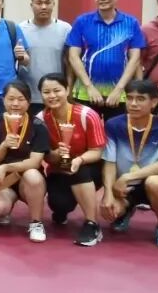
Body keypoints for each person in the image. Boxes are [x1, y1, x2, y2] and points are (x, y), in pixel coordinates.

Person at [99, 80, 158, 250]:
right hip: (122, 187)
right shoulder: (113, 124)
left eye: (140, 99)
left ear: (154, 102)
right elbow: (110, 162)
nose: (133, 103)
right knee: (111, 212)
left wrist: (128, 177)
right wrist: (108, 194)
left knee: (155, 183)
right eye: (129, 98)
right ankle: (126, 209)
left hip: (150, 180)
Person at [37, 72, 106, 246]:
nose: (52, 96)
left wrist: (79, 160)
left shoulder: (87, 115)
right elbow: (46, 157)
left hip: (89, 167)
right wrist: (56, 154)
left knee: (78, 170)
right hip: (59, 169)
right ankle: (63, 209)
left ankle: (92, 224)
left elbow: (97, 152)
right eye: (46, 92)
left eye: (57, 90)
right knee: (59, 204)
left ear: (67, 90)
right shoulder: (40, 120)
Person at [66, 0, 146, 122]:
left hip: (120, 94)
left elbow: (135, 59)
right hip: (85, 92)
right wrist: (89, 87)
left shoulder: (131, 22)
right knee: (84, 134)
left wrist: (119, 89)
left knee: (117, 134)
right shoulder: (82, 21)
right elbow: (73, 56)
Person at [0, 80, 50, 242]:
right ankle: (7, 206)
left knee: (33, 175)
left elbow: (35, 162)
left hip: (28, 179)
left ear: (29, 101)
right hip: (3, 180)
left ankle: (36, 223)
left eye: (21, 99)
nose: (15, 104)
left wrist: (6, 167)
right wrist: (4, 145)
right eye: (11, 99)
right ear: (3, 100)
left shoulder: (38, 125)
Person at [18, 0, 71, 107]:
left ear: (53, 4)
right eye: (39, 3)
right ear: (31, 5)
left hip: (57, 96)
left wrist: (69, 90)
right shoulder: (20, 29)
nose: (43, 7)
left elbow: (69, 63)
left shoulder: (66, 29)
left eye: (47, 3)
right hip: (28, 95)